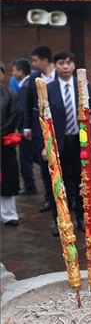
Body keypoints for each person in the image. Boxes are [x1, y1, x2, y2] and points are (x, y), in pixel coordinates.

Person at [46, 51, 88, 235]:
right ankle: (60, 219)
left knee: (81, 180)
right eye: (61, 63)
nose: (65, 66)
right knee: (58, 181)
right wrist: (45, 145)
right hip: (58, 142)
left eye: (68, 63)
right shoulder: (49, 88)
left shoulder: (82, 86)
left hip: (79, 141)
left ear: (74, 66)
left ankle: (81, 217)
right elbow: (40, 117)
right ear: (55, 66)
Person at [25, 46, 56, 213]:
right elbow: (30, 103)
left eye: (35, 60)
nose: (33, 63)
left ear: (45, 60)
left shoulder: (59, 77)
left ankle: (69, 198)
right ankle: (48, 199)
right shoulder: (33, 78)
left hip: (61, 129)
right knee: (44, 167)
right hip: (40, 129)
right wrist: (27, 126)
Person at [12, 58, 37, 195]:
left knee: (26, 159)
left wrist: (22, 127)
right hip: (29, 128)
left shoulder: (25, 86)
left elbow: (23, 109)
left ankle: (30, 186)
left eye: (15, 70)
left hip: (26, 129)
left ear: (21, 71)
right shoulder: (28, 83)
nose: (13, 73)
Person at [0, 63, 21, 226]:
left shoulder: (11, 95)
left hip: (4, 144)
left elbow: (13, 117)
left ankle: (8, 214)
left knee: (7, 177)